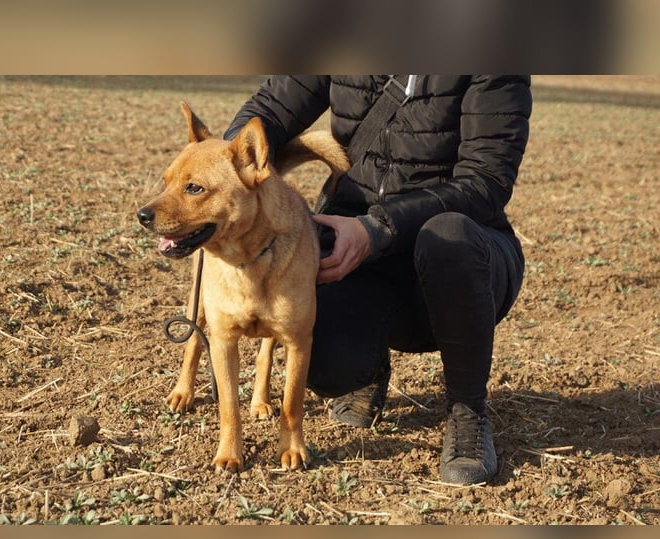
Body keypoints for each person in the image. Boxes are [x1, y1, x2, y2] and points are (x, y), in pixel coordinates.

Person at [224, 75, 531, 485]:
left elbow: (485, 181)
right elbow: (270, 112)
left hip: (463, 254)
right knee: (326, 365)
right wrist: (219, 167)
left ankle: (467, 412)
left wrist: (378, 228)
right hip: (356, 247)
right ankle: (368, 371)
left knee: (448, 238)